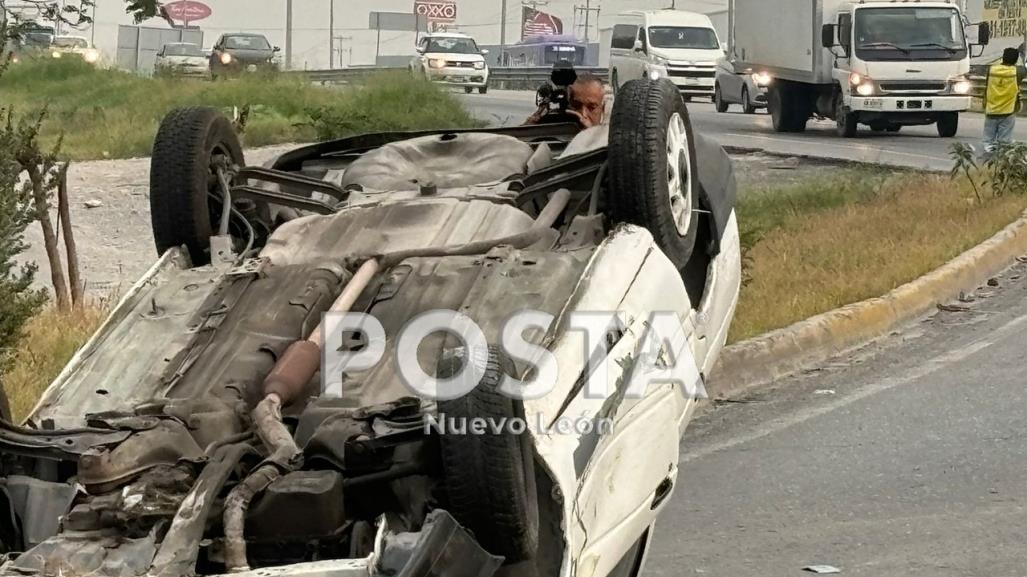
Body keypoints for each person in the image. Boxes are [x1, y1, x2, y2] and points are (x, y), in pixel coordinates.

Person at [983, 47, 1025, 156]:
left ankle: (987, 160)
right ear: (1016, 60)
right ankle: (1001, 163)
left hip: (991, 108)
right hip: (1008, 110)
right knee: (1004, 142)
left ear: (1003, 57)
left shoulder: (991, 69)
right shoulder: (1018, 72)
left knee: (988, 141)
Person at [525, 74, 606, 128]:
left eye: (591, 108)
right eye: (576, 106)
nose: (583, 114)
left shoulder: (609, 137)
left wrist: (590, 133)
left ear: (602, 109)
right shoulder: (549, 122)